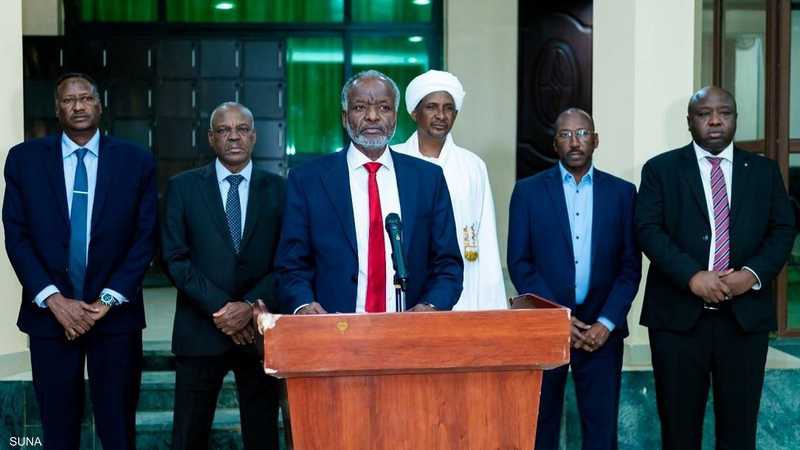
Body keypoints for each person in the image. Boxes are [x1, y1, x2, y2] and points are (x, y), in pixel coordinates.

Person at [3, 73, 157, 450]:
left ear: (99, 105)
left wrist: (105, 301)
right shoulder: (25, 160)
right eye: (68, 100)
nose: (78, 106)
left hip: (115, 318)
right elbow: (17, 236)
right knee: (58, 431)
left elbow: (145, 237)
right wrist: (55, 300)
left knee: (118, 430)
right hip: (49, 318)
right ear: (57, 110)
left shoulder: (135, 160)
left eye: (86, 98)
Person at [636, 87, 795, 450]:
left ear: (735, 119)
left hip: (744, 321)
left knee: (739, 433)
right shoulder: (660, 170)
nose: (715, 121)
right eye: (704, 113)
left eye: (724, 113)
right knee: (679, 432)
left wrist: (751, 275)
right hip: (677, 320)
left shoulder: (764, 171)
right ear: (689, 121)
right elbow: (648, 229)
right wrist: (692, 276)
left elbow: (783, 229)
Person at [275, 69, 463, 315]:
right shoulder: (308, 180)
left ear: (395, 117)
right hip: (333, 328)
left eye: (384, 108)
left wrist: (431, 306)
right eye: (360, 107)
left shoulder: (428, 179)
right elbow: (290, 266)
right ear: (345, 117)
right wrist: (303, 305)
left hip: (409, 329)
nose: (372, 117)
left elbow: (448, 264)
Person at [508, 108, 641, 450]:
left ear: (595, 140)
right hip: (546, 326)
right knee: (541, 426)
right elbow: (520, 263)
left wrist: (607, 322)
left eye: (582, 133)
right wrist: (556, 317)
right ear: (555, 144)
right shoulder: (527, 192)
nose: (575, 142)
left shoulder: (622, 193)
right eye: (565, 135)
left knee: (601, 431)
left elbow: (629, 267)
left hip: (601, 331)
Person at [161, 102, 285, 450]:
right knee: (188, 437)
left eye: (242, 129)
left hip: (259, 334)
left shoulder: (280, 189)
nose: (234, 137)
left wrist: (248, 307)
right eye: (224, 130)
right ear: (211, 138)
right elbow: (174, 258)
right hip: (200, 331)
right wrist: (224, 309)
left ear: (254, 136)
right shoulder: (183, 187)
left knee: (262, 437)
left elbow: (288, 260)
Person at [393, 70, 506, 310]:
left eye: (448, 108)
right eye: (431, 107)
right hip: (406, 286)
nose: (441, 115)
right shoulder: (395, 160)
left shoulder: (473, 166)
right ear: (414, 112)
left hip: (463, 286)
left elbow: (485, 238)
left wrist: (491, 308)